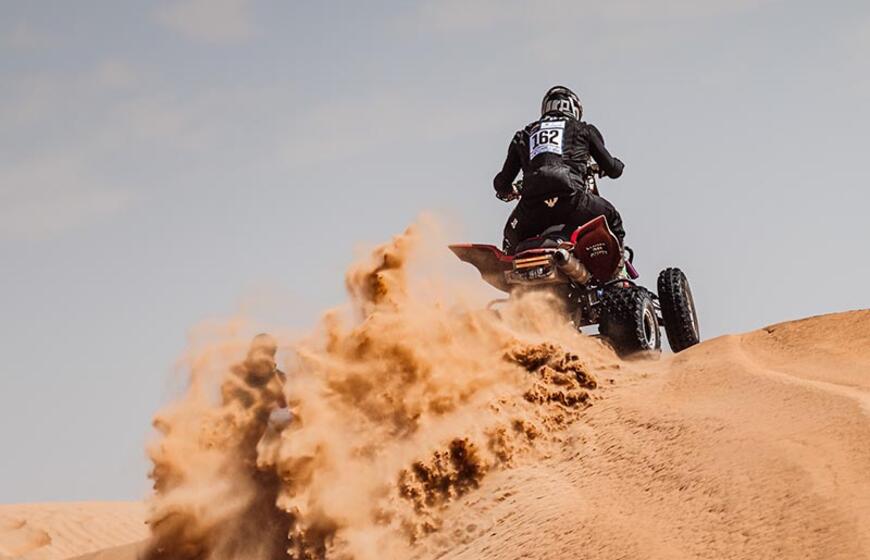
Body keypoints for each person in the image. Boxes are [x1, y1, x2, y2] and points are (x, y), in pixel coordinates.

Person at [493, 85, 626, 256]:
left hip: (532, 208)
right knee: (612, 218)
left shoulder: (524, 134)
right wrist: (617, 165)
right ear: (574, 109)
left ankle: (511, 270)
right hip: (573, 201)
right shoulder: (583, 128)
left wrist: (510, 190)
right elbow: (613, 169)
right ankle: (617, 269)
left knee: (509, 239)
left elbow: (502, 183)